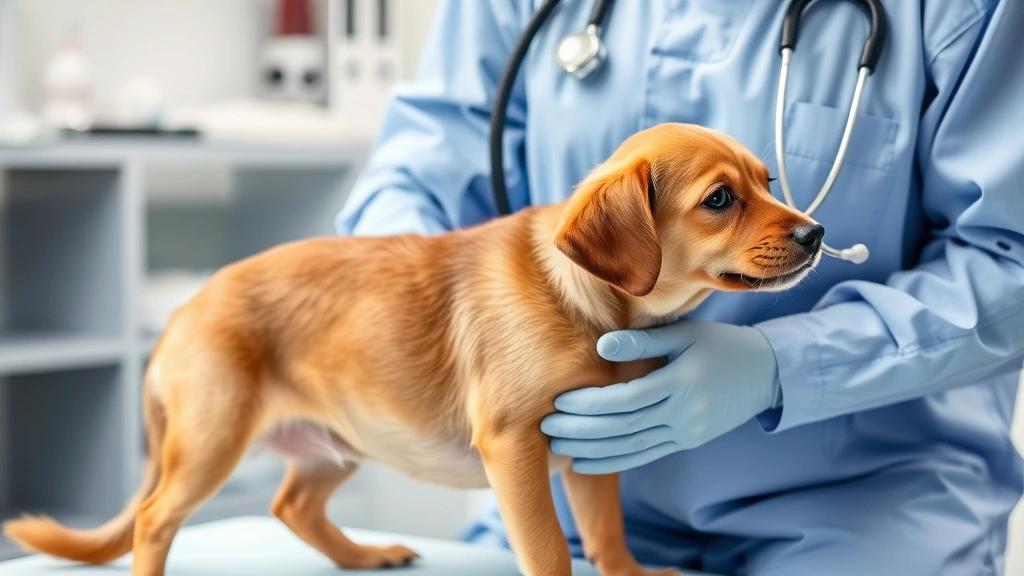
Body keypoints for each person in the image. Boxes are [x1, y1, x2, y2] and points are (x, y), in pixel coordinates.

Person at [336, 1, 1024, 574]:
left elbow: (1010, 257)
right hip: (567, 501)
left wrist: (782, 366)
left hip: (864, 509)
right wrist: (405, 318)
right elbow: (419, 173)